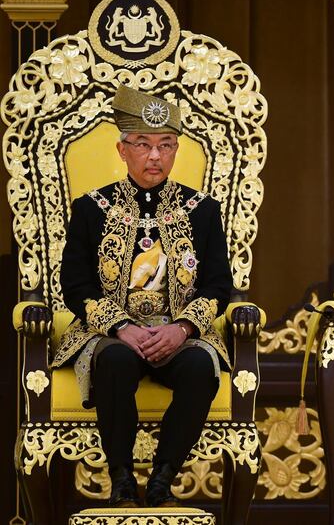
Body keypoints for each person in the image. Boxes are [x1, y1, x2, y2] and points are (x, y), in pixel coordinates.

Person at [55, 86, 233, 507]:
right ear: (122, 149)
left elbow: (218, 286)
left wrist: (183, 327)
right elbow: (75, 284)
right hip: (112, 336)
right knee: (114, 360)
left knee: (197, 367)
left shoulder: (202, 209)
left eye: (166, 146)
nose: (155, 156)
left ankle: (162, 479)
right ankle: (120, 479)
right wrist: (121, 328)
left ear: (176, 150)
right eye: (143, 145)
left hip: (181, 335)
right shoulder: (91, 209)